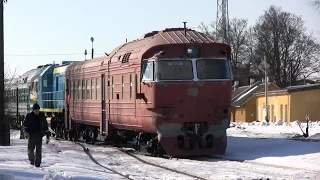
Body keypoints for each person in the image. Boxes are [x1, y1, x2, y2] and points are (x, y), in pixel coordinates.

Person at [23, 103, 50, 167]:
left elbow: (45, 127)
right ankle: (32, 160)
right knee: (31, 150)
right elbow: (25, 125)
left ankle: (38, 162)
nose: (37, 111)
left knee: (39, 150)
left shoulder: (42, 117)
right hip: (31, 135)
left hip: (39, 135)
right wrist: (26, 132)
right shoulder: (29, 116)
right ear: (33, 110)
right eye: (36, 110)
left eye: (38, 110)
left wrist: (47, 136)